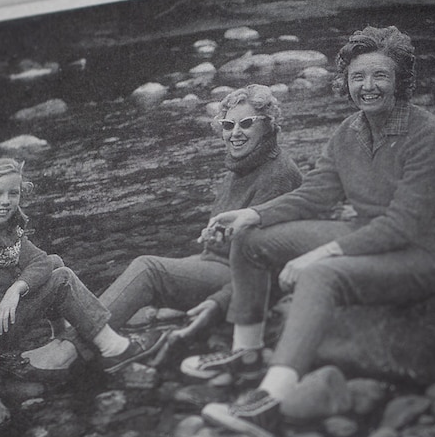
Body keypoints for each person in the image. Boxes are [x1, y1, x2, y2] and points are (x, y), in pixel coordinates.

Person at [183, 26, 435, 437]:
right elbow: (316, 193)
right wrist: (252, 213)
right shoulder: (348, 131)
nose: (367, 86)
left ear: (400, 81)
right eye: (357, 77)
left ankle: (268, 403)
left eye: (379, 77)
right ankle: (246, 351)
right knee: (251, 238)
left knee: (321, 275)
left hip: (425, 252)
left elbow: (403, 225)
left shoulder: (428, 136)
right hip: (369, 234)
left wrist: (321, 255)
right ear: (346, 82)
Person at [0, 158, 166, 411]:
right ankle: (114, 348)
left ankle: (60, 334)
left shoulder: (6, 229)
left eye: (14, 193)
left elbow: (42, 262)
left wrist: (17, 288)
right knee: (63, 278)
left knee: (55, 263)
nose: (6, 201)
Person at [98, 84, 302, 339]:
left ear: (268, 124)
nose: (235, 133)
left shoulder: (279, 173)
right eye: (228, 126)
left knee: (147, 269)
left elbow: (267, 260)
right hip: (216, 263)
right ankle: (82, 332)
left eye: (246, 123)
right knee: (130, 280)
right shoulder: (240, 166)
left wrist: (219, 296)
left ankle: (71, 347)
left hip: (238, 278)